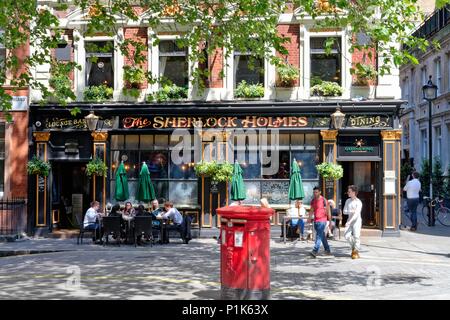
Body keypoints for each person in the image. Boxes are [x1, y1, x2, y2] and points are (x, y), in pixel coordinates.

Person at [309, 187, 331, 258]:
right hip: (316, 221)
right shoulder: (313, 200)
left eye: (316, 192)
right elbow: (311, 210)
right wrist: (309, 218)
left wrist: (330, 221)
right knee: (322, 236)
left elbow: (328, 211)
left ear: (320, 192)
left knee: (318, 236)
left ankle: (315, 250)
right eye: (314, 192)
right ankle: (327, 249)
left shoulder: (324, 200)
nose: (315, 194)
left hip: (322, 220)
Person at [343, 185, 363, 259]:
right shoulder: (347, 201)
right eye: (348, 191)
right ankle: (354, 247)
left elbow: (356, 214)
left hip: (356, 221)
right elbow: (344, 211)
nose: (348, 193)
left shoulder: (359, 202)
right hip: (349, 221)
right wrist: (351, 211)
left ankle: (355, 251)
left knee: (356, 236)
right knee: (346, 235)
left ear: (354, 192)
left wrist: (350, 221)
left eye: (349, 191)